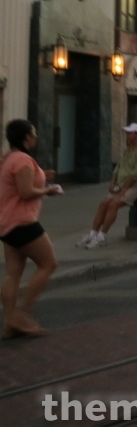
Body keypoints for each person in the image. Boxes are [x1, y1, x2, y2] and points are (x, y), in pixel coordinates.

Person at [1, 119, 61, 338]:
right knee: (49, 263)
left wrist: (42, 174)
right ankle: (22, 313)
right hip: (23, 222)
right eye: (33, 133)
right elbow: (26, 192)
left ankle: (9, 324)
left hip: (6, 224)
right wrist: (48, 190)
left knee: (13, 273)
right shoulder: (23, 160)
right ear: (26, 137)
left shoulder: (8, 158)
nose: (35, 137)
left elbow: (17, 181)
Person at [77, 124, 137, 249]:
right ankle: (92, 234)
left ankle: (102, 237)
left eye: (130, 133)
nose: (127, 135)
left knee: (114, 204)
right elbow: (119, 166)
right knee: (104, 203)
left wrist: (125, 187)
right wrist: (113, 182)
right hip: (123, 184)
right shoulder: (128, 149)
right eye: (127, 133)